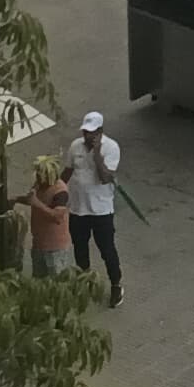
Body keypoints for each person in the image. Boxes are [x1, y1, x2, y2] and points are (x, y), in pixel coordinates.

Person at [64, 112, 126, 302]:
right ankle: (85, 281)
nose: (88, 136)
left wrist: (97, 154)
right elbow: (67, 171)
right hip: (78, 208)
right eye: (85, 132)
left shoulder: (111, 147)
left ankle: (116, 284)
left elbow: (105, 178)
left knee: (107, 250)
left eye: (92, 132)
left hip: (101, 211)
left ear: (100, 131)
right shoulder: (75, 146)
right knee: (80, 247)